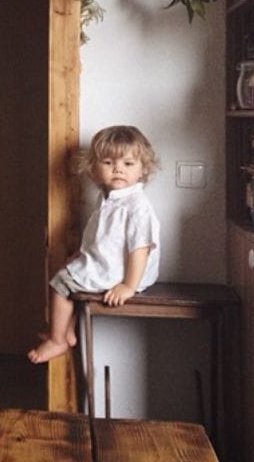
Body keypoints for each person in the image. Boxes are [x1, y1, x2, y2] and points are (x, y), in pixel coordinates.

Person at [28, 125, 160, 364]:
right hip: (112, 265)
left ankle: (58, 340)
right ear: (94, 168)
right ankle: (66, 332)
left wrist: (128, 286)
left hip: (126, 273)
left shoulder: (137, 206)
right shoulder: (109, 199)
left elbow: (140, 248)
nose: (118, 169)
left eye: (128, 164)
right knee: (70, 273)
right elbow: (100, 237)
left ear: (143, 169)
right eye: (109, 163)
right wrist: (81, 254)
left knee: (61, 283)